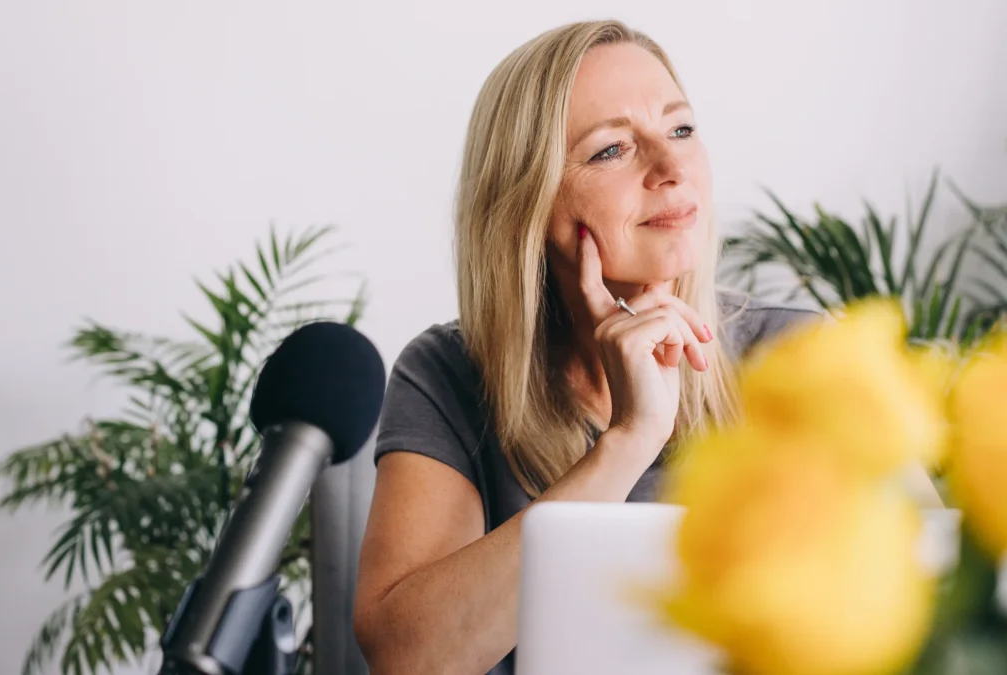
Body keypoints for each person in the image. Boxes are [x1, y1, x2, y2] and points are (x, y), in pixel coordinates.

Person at [352, 19, 941, 675]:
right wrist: (630, 439)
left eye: (681, 129)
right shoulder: (449, 373)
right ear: (528, 202)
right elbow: (409, 658)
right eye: (611, 150)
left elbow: (941, 613)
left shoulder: (798, 354)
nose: (671, 167)